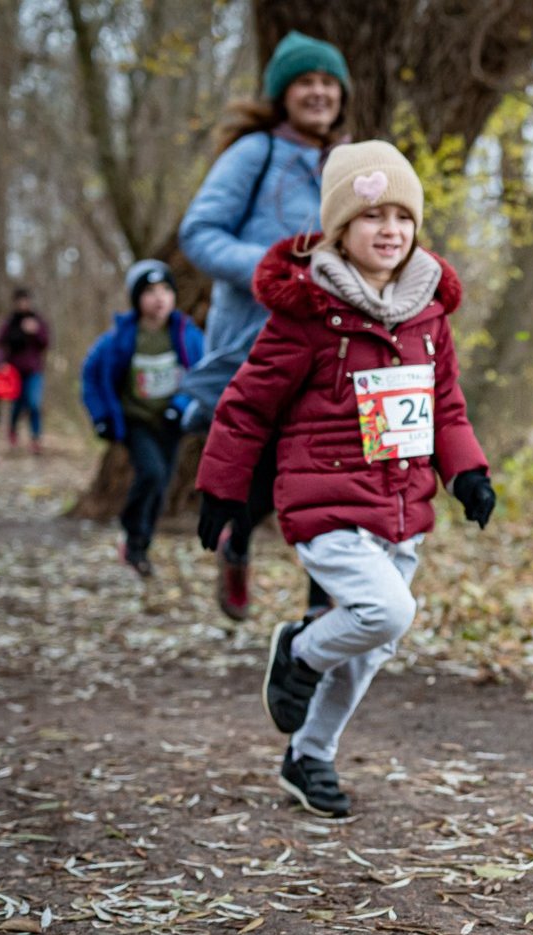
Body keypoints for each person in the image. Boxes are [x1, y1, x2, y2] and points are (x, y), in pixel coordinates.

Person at [196, 141, 496, 818]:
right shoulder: (308, 314)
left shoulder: (427, 314)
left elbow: (445, 405)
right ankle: (298, 652)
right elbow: (246, 405)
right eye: (371, 216)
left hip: (402, 506)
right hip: (323, 502)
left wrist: (468, 473)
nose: (390, 229)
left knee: (372, 643)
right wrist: (223, 488)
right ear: (338, 229)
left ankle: (310, 755)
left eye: (402, 215)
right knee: (386, 612)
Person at [179, 30, 351, 621]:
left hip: (332, 341)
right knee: (262, 460)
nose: (319, 93)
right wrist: (271, 269)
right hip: (255, 337)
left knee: (326, 465)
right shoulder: (255, 153)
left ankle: (320, 609)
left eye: (328, 82)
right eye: (306, 82)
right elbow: (198, 233)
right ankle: (236, 542)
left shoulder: (347, 160)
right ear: (283, 93)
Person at [81, 260, 206, 577]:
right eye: (149, 291)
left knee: (162, 484)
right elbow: (92, 375)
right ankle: (129, 528)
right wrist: (101, 416)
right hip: (135, 421)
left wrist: (180, 405)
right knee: (150, 473)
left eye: (165, 289)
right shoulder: (121, 338)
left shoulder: (185, 335)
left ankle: (140, 548)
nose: (159, 297)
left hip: (171, 422)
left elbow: (202, 375)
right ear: (136, 298)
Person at [0, 288, 51, 452]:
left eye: (25, 300)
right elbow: (0, 343)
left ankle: (36, 439)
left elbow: (45, 342)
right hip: (14, 371)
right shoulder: (10, 322)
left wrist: (35, 332)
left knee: (34, 403)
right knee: (17, 406)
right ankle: (12, 431)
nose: (23, 304)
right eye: (20, 301)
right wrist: (0, 362)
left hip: (34, 370)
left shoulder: (37, 320)